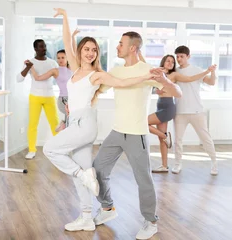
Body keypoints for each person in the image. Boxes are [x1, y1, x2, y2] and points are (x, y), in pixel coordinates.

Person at [43, 8, 167, 233]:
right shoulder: (74, 68)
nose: (90, 53)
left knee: (51, 149)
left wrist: (147, 76)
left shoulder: (96, 75)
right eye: (87, 49)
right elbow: (66, 41)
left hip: (85, 124)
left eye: (94, 50)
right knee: (86, 176)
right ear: (80, 51)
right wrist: (65, 18)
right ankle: (87, 216)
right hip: (75, 121)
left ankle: (84, 175)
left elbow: (123, 83)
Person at [92, 32, 182, 239]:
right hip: (116, 132)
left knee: (143, 180)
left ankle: (151, 221)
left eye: (120, 43)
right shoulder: (116, 70)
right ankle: (107, 209)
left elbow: (178, 93)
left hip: (137, 134)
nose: (117, 46)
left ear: (133, 48)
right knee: (97, 169)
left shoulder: (148, 71)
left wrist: (165, 80)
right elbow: (98, 89)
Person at [139, 54, 215, 173]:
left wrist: (207, 71)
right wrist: (138, 53)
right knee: (161, 139)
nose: (170, 63)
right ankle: (164, 166)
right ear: (163, 61)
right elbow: (145, 66)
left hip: (168, 108)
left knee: (141, 122)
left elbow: (190, 78)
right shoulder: (157, 72)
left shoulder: (174, 75)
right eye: (168, 61)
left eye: (172, 62)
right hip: (160, 105)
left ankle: (165, 136)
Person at [172, 46, 218, 175]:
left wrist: (212, 72)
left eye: (182, 56)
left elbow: (211, 82)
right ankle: (177, 164)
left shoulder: (196, 70)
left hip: (197, 111)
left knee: (206, 138)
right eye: (177, 56)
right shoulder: (175, 72)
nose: (179, 59)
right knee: (178, 140)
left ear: (188, 56)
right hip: (180, 112)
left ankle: (214, 163)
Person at [17, 39, 59, 159]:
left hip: (49, 96)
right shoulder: (30, 62)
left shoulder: (52, 63)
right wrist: (27, 67)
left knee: (55, 124)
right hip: (35, 97)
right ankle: (32, 149)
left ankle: (59, 149)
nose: (44, 49)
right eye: (41, 47)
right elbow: (18, 79)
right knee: (33, 125)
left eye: (45, 46)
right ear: (35, 49)